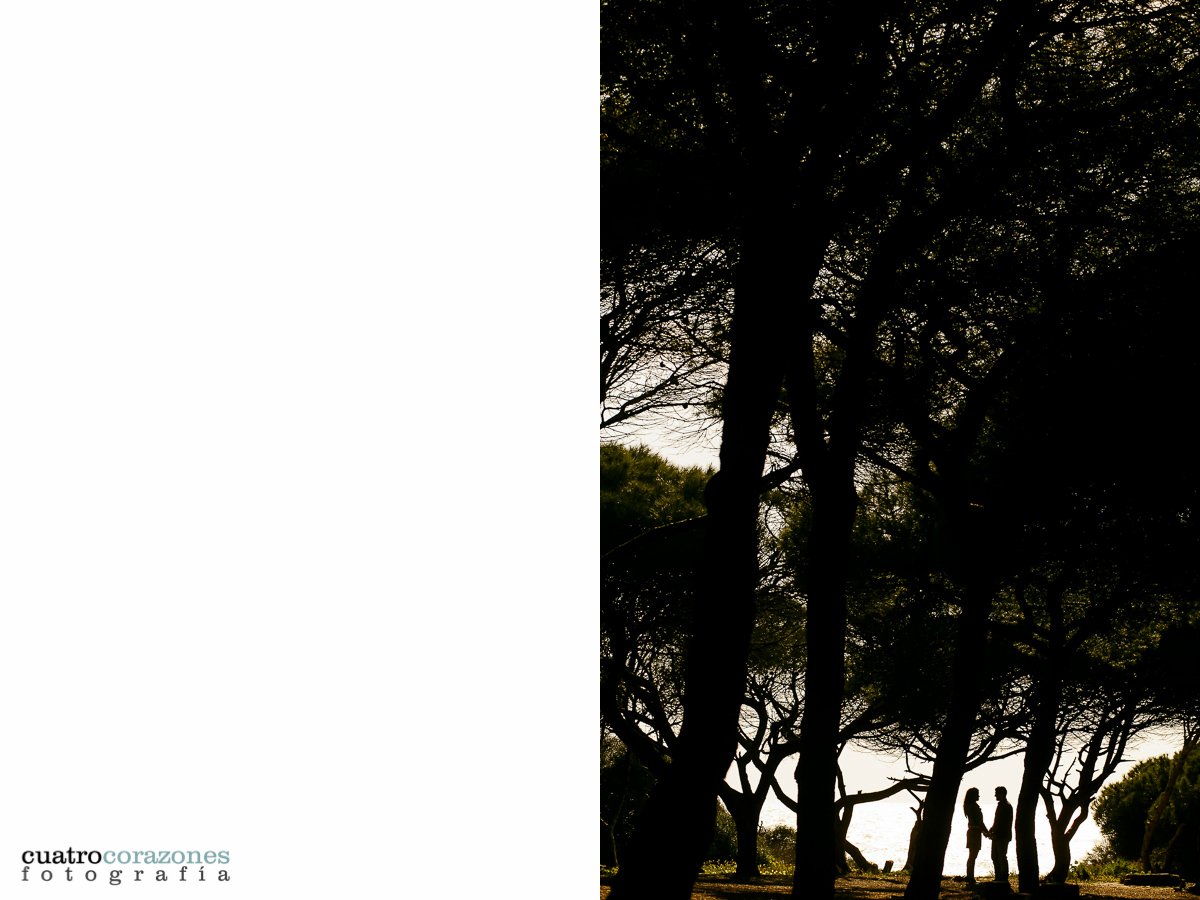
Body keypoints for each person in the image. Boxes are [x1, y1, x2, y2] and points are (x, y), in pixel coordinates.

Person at [963, 787, 990, 884]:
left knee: (972, 855)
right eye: (977, 794)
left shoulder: (970, 806)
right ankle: (970, 877)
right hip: (975, 832)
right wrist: (986, 832)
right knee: (973, 855)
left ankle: (970, 875)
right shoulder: (973, 807)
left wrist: (985, 832)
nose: (979, 795)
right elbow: (980, 822)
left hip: (973, 832)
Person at [990, 786, 1013, 883]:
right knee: (996, 856)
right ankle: (999, 876)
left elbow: (1001, 822)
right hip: (999, 835)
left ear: (1002, 794)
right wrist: (992, 829)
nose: (995, 795)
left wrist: (993, 830)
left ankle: (1003, 877)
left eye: (997, 793)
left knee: (1001, 856)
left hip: (1002, 835)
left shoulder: (1005, 806)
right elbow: (997, 821)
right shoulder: (1004, 805)